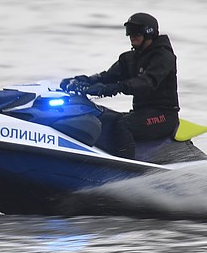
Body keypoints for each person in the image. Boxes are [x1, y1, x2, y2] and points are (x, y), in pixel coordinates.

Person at [59, 12, 179, 160]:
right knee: (105, 118)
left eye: (136, 32)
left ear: (149, 33)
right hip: (141, 113)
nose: (132, 36)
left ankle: (126, 169)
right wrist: (81, 81)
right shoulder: (129, 58)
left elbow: (147, 83)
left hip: (164, 116)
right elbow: (107, 77)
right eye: (129, 32)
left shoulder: (163, 57)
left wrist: (114, 88)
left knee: (124, 124)